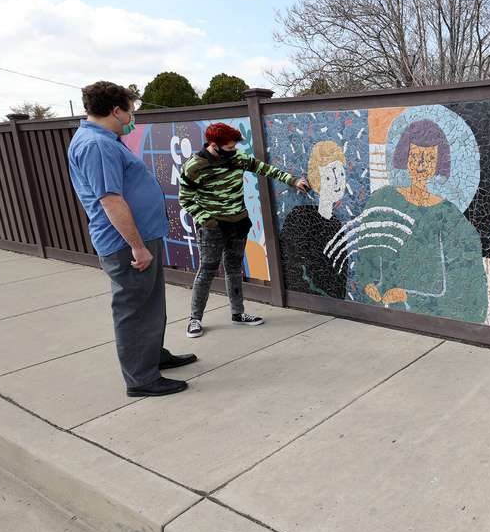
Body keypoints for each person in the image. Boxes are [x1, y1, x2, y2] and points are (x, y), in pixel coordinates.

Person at [67, 81, 196, 397]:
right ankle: (141, 379)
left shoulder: (104, 139)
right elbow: (110, 200)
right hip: (126, 244)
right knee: (135, 309)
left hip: (139, 238)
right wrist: (137, 246)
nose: (132, 117)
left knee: (150, 304)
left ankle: (152, 357)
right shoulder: (97, 145)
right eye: (131, 111)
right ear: (116, 110)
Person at [179, 123, 310, 337]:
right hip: (212, 228)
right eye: (229, 148)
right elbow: (185, 199)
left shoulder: (238, 158)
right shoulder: (195, 165)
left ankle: (238, 313)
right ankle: (195, 319)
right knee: (207, 271)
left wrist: (292, 180)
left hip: (238, 223)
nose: (234, 152)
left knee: (234, 269)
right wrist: (208, 220)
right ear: (214, 145)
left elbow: (263, 169)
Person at [352, 119, 487, 322]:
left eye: (429, 158)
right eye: (415, 156)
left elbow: (466, 289)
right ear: (405, 157)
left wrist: (409, 297)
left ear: (439, 163)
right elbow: (365, 256)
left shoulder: (450, 216)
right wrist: (368, 284)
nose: (421, 164)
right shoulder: (382, 199)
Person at [279, 140, 350, 298]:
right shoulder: (301, 217)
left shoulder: (336, 224)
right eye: (331, 174)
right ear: (317, 178)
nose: (338, 181)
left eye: (341, 173)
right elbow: (292, 268)